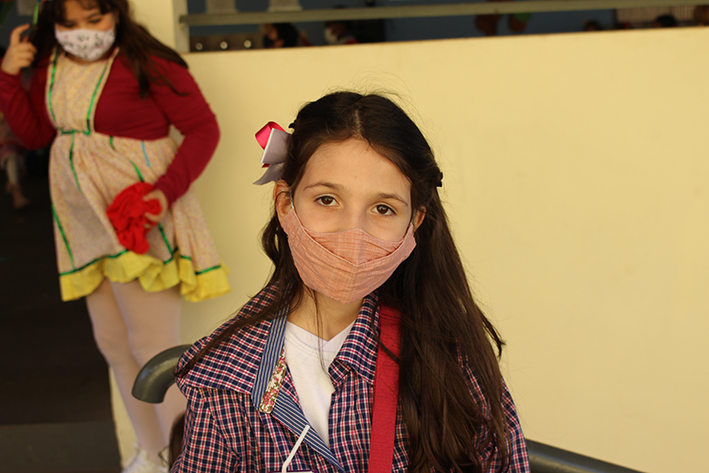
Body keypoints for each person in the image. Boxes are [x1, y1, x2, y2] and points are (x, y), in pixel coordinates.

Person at [172, 92, 529, 472]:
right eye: (327, 200)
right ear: (285, 203)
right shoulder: (223, 377)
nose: (352, 233)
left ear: (415, 223)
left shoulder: (449, 357)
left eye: (383, 209)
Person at [0, 1, 230, 472]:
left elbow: (203, 128)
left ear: (117, 14)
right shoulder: (48, 65)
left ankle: (191, 460)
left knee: (152, 348)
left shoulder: (148, 61)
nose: (82, 33)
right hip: (85, 223)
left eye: (94, 19)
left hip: (137, 217)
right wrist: (7, 77)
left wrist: (162, 195)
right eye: (69, 23)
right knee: (113, 345)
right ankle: (152, 453)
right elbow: (37, 136)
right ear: (50, 24)